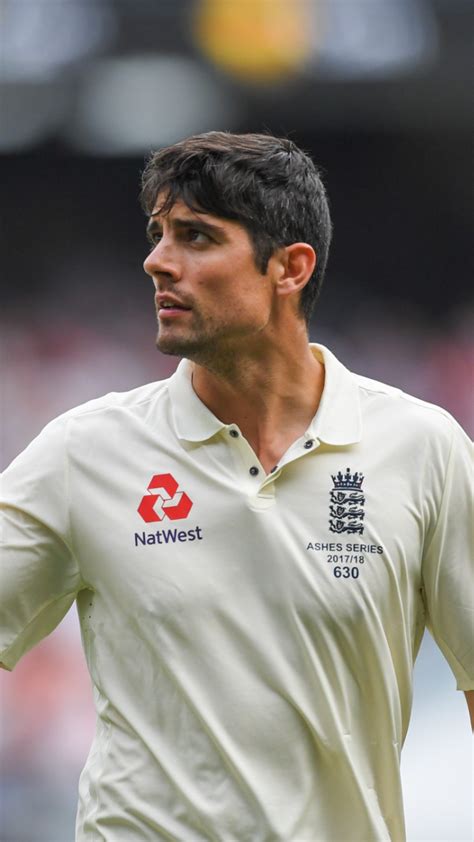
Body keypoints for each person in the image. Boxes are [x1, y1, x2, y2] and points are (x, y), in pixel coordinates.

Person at [1, 131, 472, 842]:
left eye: (196, 237)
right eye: (158, 234)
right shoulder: (83, 452)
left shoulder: (423, 448)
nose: (158, 261)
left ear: (290, 268)